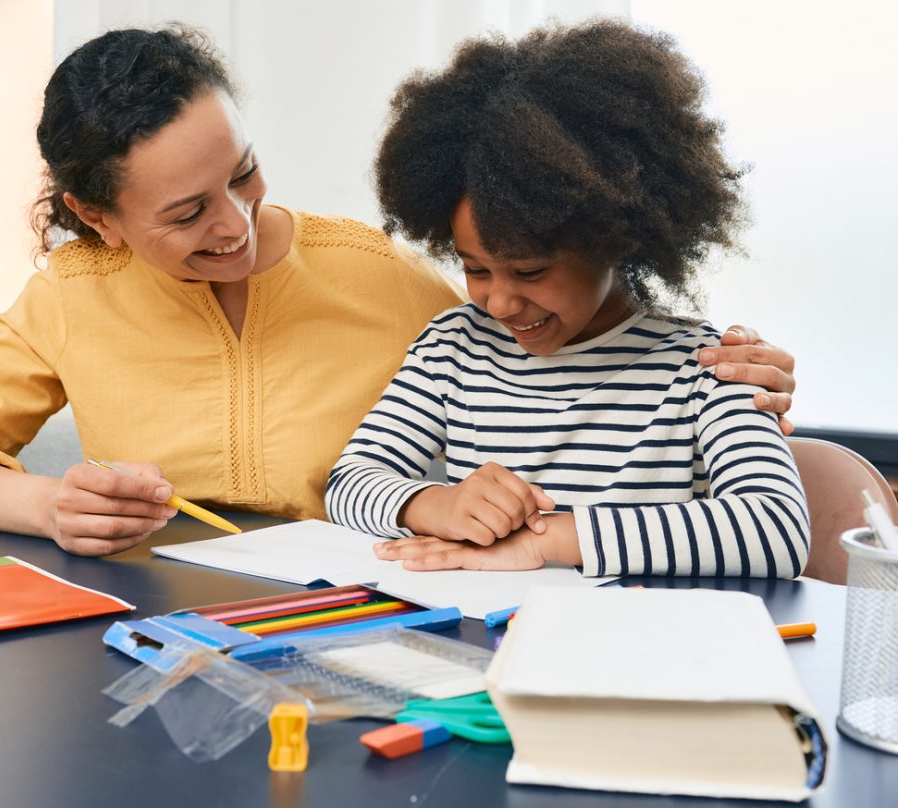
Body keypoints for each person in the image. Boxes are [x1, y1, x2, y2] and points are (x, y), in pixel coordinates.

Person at [0, 25, 797, 557]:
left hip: (364, 613)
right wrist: (49, 507)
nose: (237, 226)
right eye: (187, 213)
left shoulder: (384, 277)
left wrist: (740, 384)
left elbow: (537, 331)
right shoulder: (69, 296)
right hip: (161, 620)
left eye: (244, 175)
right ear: (99, 217)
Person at [325, 20, 808, 579]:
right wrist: (432, 504)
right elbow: (349, 483)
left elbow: (777, 529)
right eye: (474, 268)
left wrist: (550, 539)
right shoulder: (453, 348)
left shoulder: (709, 368)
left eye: (530, 270)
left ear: (615, 236)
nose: (499, 303)